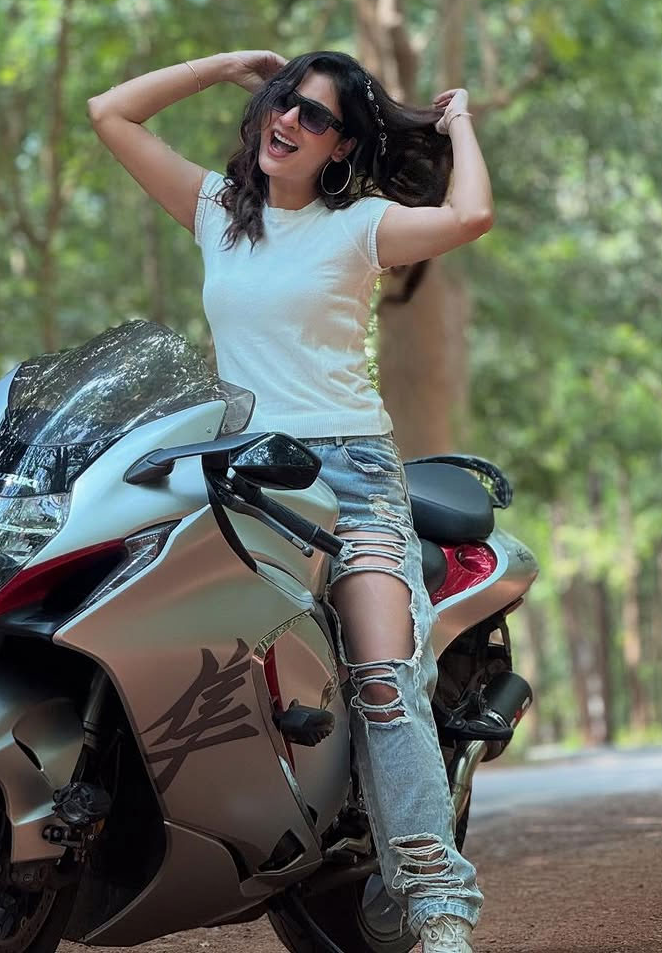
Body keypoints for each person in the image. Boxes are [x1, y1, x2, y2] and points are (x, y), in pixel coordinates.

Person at [87, 49, 493, 953]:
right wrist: (227, 64)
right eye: (283, 103)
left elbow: (471, 216)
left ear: (341, 146)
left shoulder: (361, 226)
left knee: (383, 678)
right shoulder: (215, 214)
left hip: (351, 479)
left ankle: (437, 909)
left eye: (315, 117)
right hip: (244, 476)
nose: (288, 122)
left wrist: (458, 118)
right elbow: (110, 112)